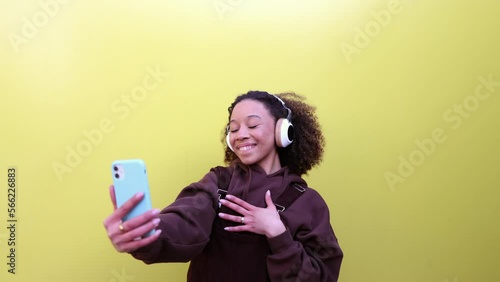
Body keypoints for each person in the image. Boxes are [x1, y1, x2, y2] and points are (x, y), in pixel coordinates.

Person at [103, 90, 343, 281]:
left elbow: (321, 276)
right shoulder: (219, 183)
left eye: (252, 125)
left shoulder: (307, 202)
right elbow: (186, 219)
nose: (240, 135)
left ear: (283, 131)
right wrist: (146, 233)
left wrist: (277, 233)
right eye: (234, 128)